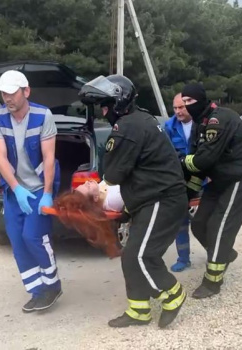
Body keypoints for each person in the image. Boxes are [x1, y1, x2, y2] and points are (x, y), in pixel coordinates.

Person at [79, 74, 188, 329]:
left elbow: (115, 174)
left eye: (105, 105)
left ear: (118, 102)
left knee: (139, 256)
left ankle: (172, 293)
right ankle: (138, 310)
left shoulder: (127, 127)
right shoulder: (141, 118)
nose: (103, 111)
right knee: (132, 255)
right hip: (151, 198)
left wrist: (96, 189)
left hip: (162, 199)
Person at [0, 70, 62, 313]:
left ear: (26, 91)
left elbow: (49, 157)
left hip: (41, 186)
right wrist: (17, 189)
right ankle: (36, 291)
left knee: (33, 236)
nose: (7, 98)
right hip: (14, 190)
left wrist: (48, 193)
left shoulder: (43, 115)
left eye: (12, 93)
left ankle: (52, 285)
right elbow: (0, 157)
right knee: (18, 241)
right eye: (3, 94)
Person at [181, 83, 242, 299]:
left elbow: (204, 159)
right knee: (198, 224)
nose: (186, 107)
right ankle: (224, 254)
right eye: (183, 102)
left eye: (189, 102)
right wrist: (188, 194)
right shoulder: (199, 125)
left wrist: (179, 161)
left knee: (219, 227)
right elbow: (199, 165)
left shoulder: (219, 119)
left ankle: (212, 282)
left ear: (201, 100)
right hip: (219, 178)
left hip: (238, 179)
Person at [51, 180, 124, 258]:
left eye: (84, 184)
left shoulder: (99, 191)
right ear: (95, 198)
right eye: (88, 186)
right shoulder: (113, 199)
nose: (87, 181)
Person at [164, 93, 195, 272]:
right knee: (180, 221)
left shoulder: (202, 123)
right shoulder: (169, 126)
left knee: (206, 222)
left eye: (181, 107)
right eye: (175, 108)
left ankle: (214, 253)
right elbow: (166, 152)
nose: (178, 112)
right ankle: (183, 258)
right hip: (180, 180)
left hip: (204, 179)